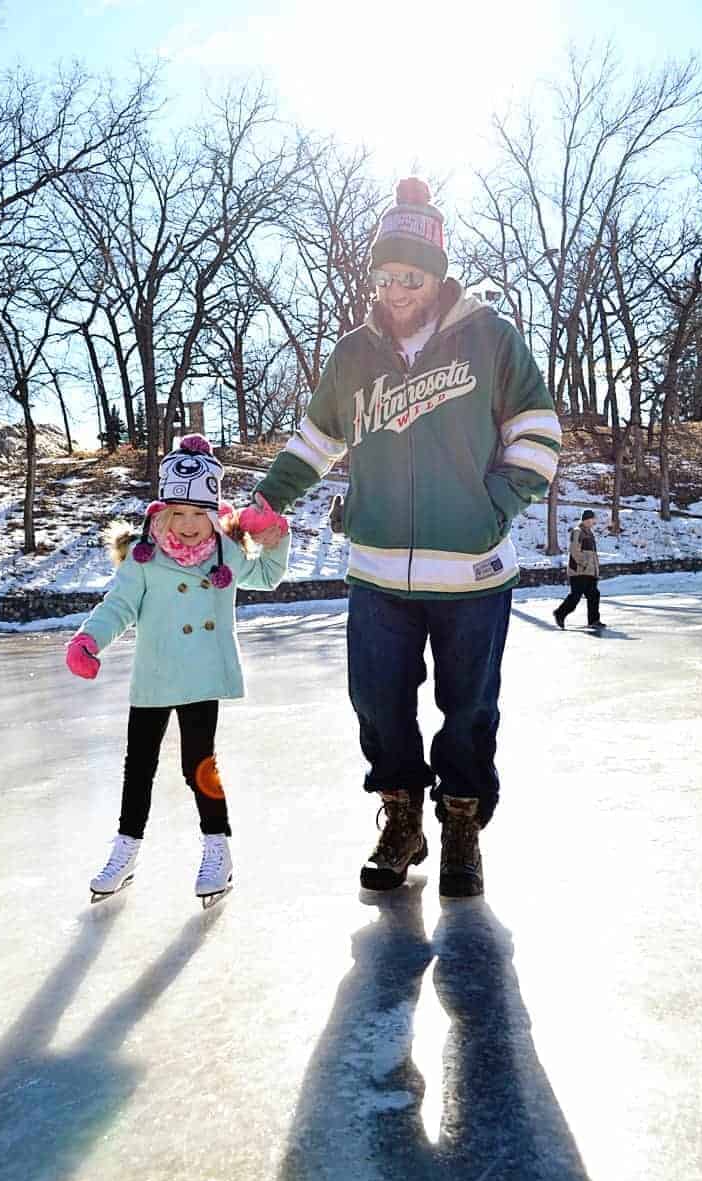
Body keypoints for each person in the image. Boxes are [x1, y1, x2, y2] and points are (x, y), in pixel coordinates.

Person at [248, 177, 561, 899]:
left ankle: (460, 824)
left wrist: (495, 505)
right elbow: (314, 443)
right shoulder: (354, 355)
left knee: (470, 708)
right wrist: (267, 500)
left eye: (409, 277)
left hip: (475, 572)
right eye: (384, 276)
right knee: (378, 704)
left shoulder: (491, 338)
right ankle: (402, 818)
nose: (395, 291)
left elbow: (538, 434)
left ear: (437, 274)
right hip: (378, 571)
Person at [65, 435, 290, 905]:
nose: (188, 526)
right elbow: (119, 605)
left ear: (213, 516)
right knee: (138, 765)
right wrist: (89, 639)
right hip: (156, 673)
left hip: (202, 673)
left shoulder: (226, 554)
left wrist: (275, 540)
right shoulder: (144, 558)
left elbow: (268, 576)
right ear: (162, 514)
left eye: (198, 515)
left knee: (198, 764)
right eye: (178, 514)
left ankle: (217, 847)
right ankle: (125, 850)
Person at [553, 509, 604, 629]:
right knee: (575, 596)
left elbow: (592, 554)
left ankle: (594, 620)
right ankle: (560, 613)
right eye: (592, 519)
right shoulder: (577, 532)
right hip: (579, 571)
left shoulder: (589, 533)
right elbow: (574, 550)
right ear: (587, 519)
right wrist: (583, 563)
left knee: (594, 595)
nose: (594, 521)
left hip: (589, 572)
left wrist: (595, 570)